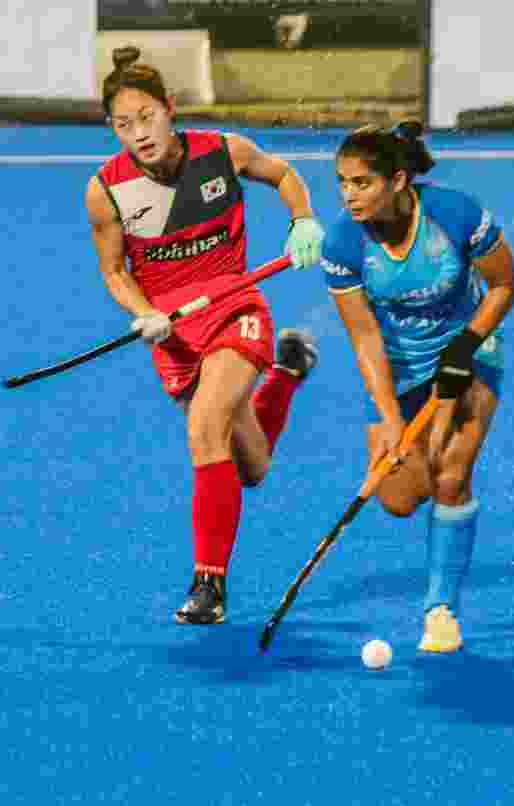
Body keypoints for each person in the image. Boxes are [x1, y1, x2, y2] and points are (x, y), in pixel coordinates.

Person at [86, 46, 324, 624]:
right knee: (252, 467)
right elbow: (115, 271)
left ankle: (209, 585)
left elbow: (284, 175)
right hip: (174, 334)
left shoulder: (222, 152)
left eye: (147, 117)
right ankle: (289, 373)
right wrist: (145, 313)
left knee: (204, 425)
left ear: (170, 109)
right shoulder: (106, 190)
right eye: (123, 124)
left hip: (235, 307)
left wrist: (302, 218)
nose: (138, 134)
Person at [321, 121, 514, 652]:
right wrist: (389, 417)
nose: (348, 194)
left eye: (362, 182)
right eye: (342, 182)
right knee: (400, 498)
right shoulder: (342, 242)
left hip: (467, 347)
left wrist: (466, 345)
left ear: (398, 180)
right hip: (400, 365)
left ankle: (441, 610)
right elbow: (365, 338)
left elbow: (504, 284)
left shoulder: (455, 215)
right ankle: (433, 491)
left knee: (452, 476)